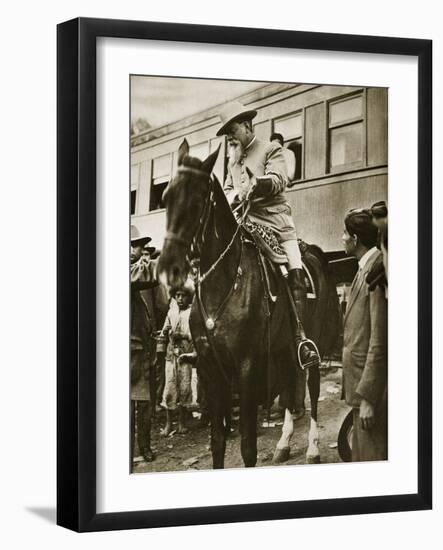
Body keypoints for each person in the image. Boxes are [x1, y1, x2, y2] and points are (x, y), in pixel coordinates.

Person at [216, 101, 308, 329]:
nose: (230, 138)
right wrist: (235, 196)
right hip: (244, 223)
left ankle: (301, 337)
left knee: (295, 274)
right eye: (227, 134)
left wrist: (258, 183)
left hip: (276, 223)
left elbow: (279, 180)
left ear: (247, 126)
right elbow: (228, 189)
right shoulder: (232, 161)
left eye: (233, 131)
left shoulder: (271, 149)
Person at [341, 209, 388, 461]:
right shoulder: (365, 268)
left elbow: (379, 342)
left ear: (356, 239)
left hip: (369, 393)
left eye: (344, 233)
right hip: (359, 389)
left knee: (371, 460)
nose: (342, 238)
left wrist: (368, 397)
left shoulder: (376, 271)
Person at [130, 226, 157, 467]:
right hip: (131, 351)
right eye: (136, 245)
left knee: (145, 404)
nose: (139, 250)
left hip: (142, 349)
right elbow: (145, 275)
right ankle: (129, 452)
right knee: (131, 405)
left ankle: (144, 446)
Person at [157, 279, 196, 436]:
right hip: (170, 356)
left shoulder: (192, 313)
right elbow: (164, 332)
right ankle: (168, 424)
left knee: (185, 388)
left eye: (183, 296)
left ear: (189, 297)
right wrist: (164, 341)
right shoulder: (171, 312)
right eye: (177, 296)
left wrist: (184, 335)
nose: (180, 299)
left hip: (185, 356)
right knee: (170, 388)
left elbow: (195, 334)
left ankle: (181, 423)